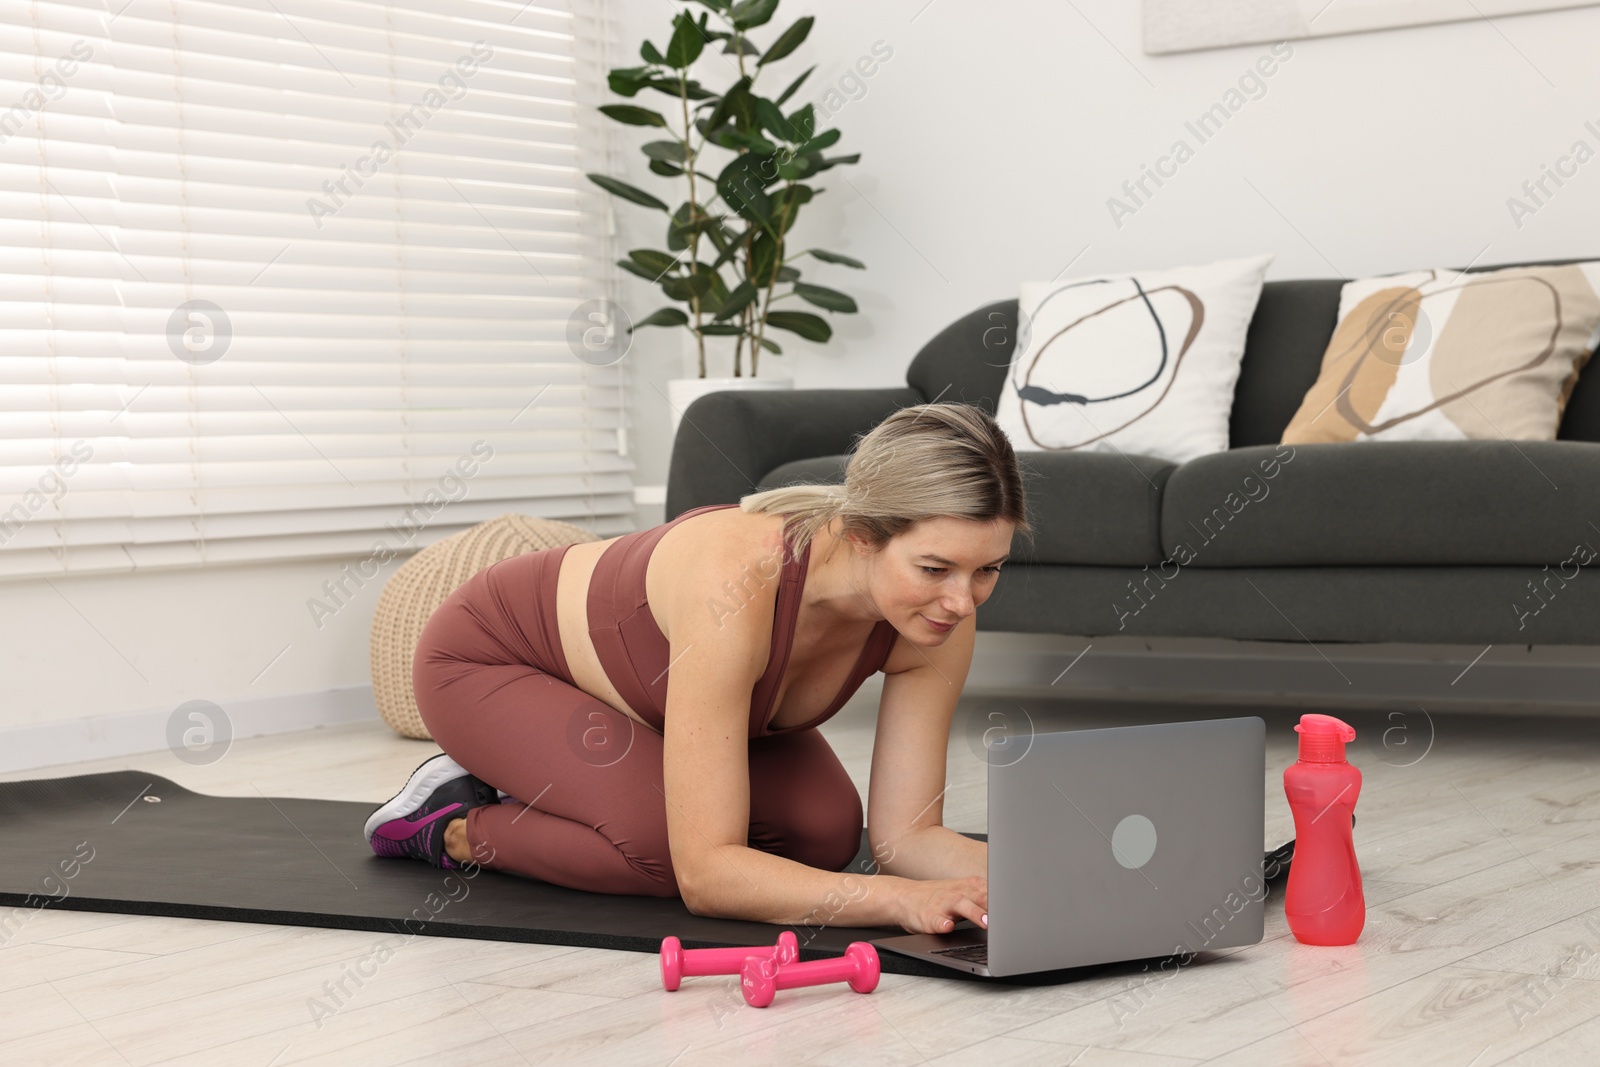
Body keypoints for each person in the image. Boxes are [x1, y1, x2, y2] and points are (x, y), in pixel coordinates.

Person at [363, 402, 1032, 935]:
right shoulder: (738, 579)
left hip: (640, 698)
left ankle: (573, 782)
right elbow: (707, 878)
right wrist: (898, 903)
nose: (961, 599)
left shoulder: (939, 617)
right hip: (492, 660)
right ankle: (452, 821)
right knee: (663, 852)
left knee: (823, 833)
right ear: (862, 533)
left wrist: (1050, 869)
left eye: (989, 570)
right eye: (935, 568)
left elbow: (907, 837)